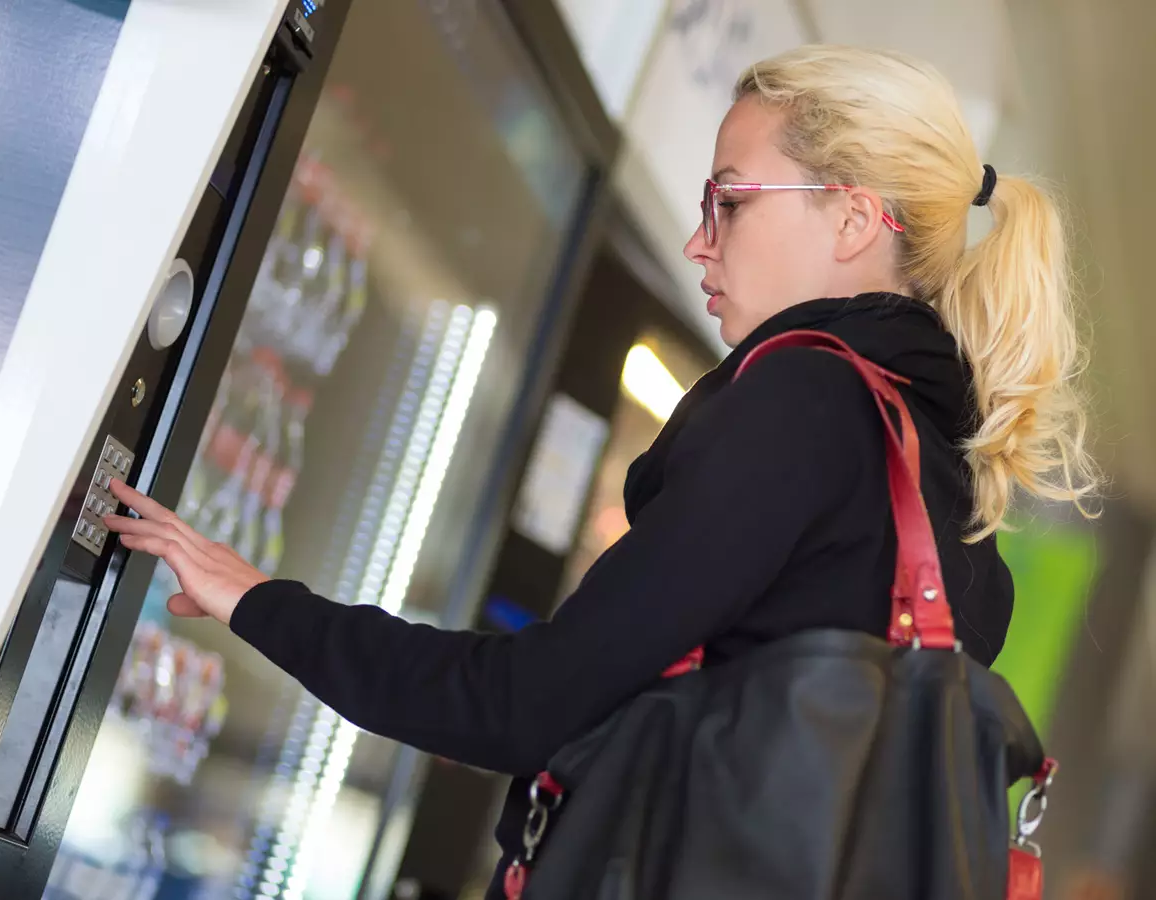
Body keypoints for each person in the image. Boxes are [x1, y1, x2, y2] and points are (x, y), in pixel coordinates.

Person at [106, 44, 1098, 896]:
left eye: (730, 201)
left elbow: (526, 706)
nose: (696, 242)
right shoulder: (957, 500)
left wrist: (258, 601)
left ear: (851, 220)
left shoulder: (805, 406)